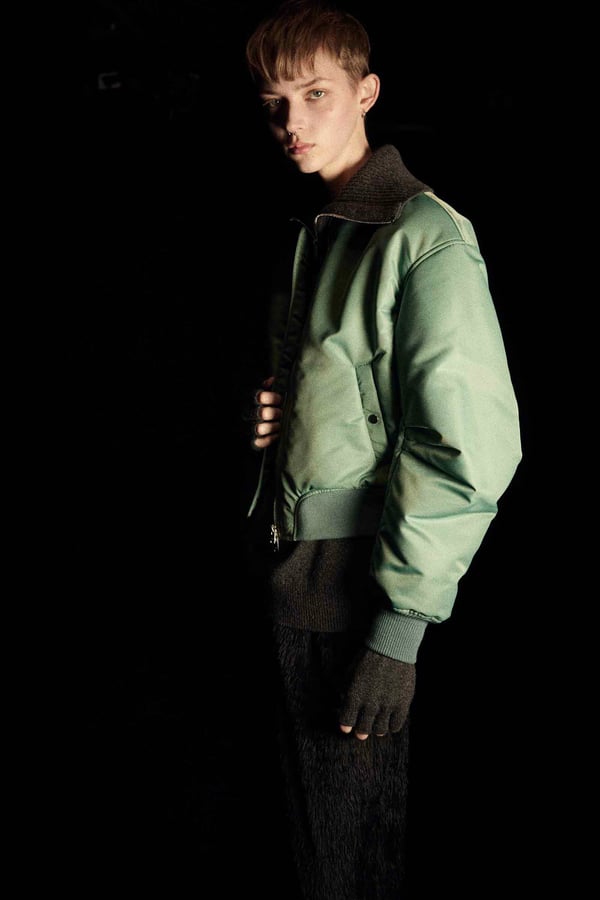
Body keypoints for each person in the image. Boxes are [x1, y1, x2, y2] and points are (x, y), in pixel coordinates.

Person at [242, 1, 522, 897]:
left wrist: (398, 634)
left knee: (351, 870)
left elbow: (469, 446)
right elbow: (356, 408)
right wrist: (279, 426)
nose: (291, 122)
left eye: (315, 94)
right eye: (274, 103)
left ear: (366, 93)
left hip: (359, 591)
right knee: (314, 858)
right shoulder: (321, 231)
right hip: (294, 577)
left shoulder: (423, 234)